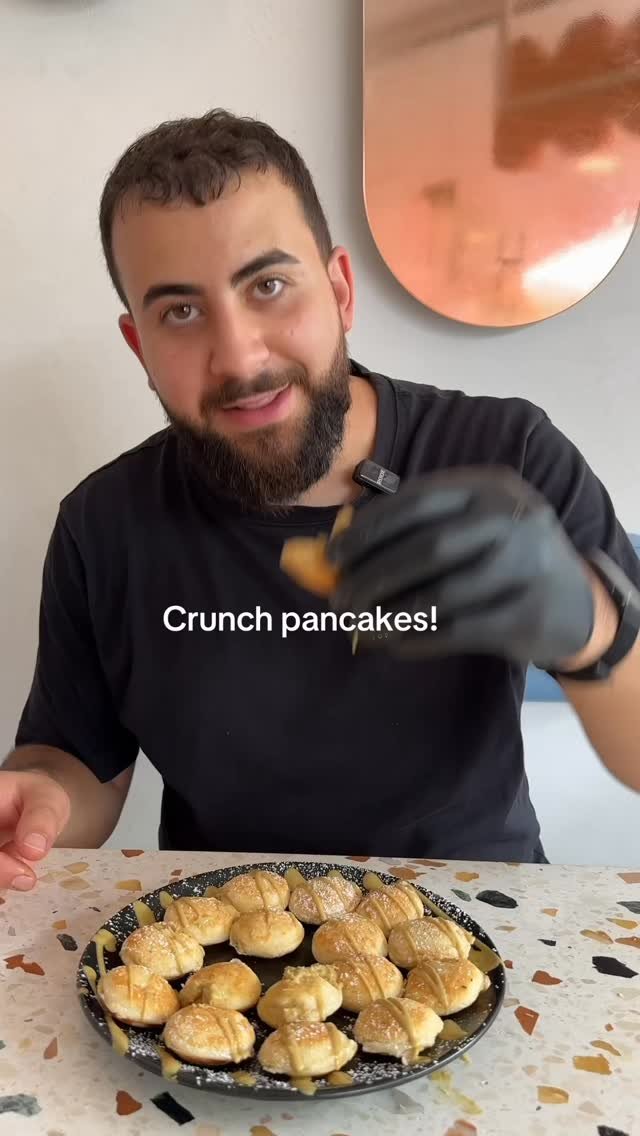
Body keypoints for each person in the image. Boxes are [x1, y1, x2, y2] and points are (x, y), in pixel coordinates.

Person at [2, 109, 639, 893]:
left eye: (268, 286)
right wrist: (38, 805)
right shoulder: (103, 524)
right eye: (180, 312)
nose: (240, 357)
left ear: (339, 290)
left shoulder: (507, 453)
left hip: (477, 917)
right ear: (140, 345)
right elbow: (76, 760)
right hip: (224, 934)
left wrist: (588, 624)